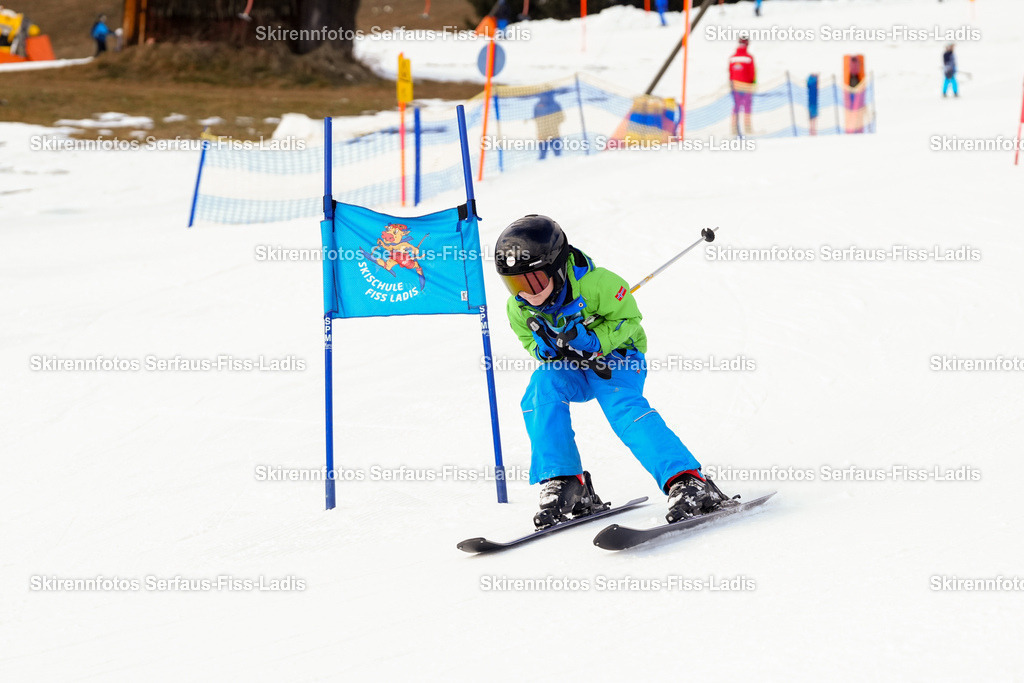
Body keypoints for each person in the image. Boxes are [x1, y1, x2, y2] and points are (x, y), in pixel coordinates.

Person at [494, 215, 730, 529]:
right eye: (515, 284)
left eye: (534, 281)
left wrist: (595, 341)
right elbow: (528, 340)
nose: (527, 293)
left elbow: (630, 319)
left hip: (619, 358)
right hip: (572, 366)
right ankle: (566, 481)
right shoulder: (518, 307)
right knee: (542, 387)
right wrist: (546, 348)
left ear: (556, 268)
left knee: (620, 406)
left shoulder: (599, 284)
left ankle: (687, 480)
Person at [729, 36, 756, 137]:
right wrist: (752, 83)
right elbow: (751, 73)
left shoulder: (732, 57)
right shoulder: (749, 58)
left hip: (735, 86)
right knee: (747, 107)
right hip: (746, 86)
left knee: (736, 107)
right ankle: (747, 127)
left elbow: (731, 72)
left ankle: (734, 127)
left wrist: (732, 83)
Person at [533, 91, 565, 161]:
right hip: (544, 135)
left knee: (557, 155)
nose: (545, 98)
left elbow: (561, 118)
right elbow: (535, 118)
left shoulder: (556, 105)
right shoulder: (537, 106)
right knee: (543, 155)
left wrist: (553, 123)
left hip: (553, 135)